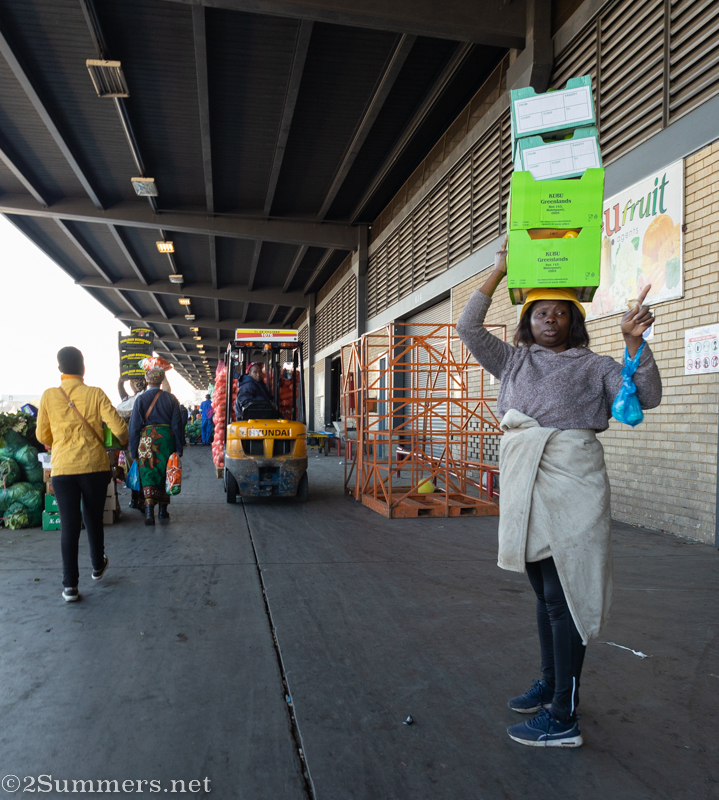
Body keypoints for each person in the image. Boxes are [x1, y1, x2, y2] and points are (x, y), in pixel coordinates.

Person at [456, 238, 662, 748]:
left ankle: (563, 715)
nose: (551, 319)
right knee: (543, 593)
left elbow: (648, 397)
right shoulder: (513, 360)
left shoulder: (596, 367)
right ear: (528, 321)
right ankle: (551, 682)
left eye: (561, 314)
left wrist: (634, 345)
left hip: (573, 481)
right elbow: (467, 327)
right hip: (526, 483)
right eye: (541, 313)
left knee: (564, 594)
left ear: (574, 320)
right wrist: (499, 271)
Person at [36, 346, 128, 603]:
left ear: (60, 369)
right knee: (93, 517)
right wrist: (120, 442)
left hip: (63, 469)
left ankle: (70, 587)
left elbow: (42, 436)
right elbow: (120, 430)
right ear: (83, 368)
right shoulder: (95, 393)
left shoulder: (49, 396)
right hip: (94, 467)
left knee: (69, 524)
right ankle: (98, 566)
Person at [128, 357, 184, 527]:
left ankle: (148, 512)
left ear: (146, 380)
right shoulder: (171, 399)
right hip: (165, 439)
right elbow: (177, 425)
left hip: (147, 441)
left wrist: (133, 450)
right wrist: (179, 447)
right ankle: (163, 511)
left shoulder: (140, 400)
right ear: (161, 381)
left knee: (148, 473)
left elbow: (134, 428)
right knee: (165, 472)